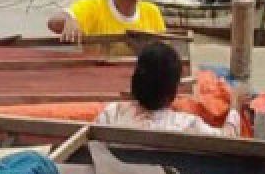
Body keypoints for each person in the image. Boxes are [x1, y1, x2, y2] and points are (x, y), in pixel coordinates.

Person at [96, 42, 241, 136]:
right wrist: (235, 105)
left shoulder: (112, 115)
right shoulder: (187, 126)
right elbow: (229, 138)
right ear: (173, 90)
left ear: (135, 81)